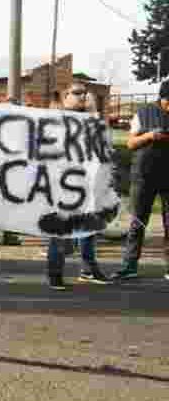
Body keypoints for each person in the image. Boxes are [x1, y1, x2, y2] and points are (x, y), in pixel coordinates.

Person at [44, 84, 112, 290]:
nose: (82, 96)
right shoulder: (56, 118)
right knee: (59, 229)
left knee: (89, 227)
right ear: (66, 97)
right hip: (62, 183)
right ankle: (54, 273)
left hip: (87, 182)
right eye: (77, 93)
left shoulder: (91, 119)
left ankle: (88, 269)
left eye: (85, 93)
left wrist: (92, 112)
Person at [116, 80, 169, 281]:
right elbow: (130, 143)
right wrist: (149, 136)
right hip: (144, 175)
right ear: (161, 98)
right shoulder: (143, 112)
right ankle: (129, 266)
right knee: (138, 221)